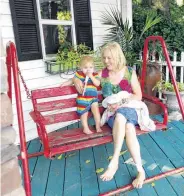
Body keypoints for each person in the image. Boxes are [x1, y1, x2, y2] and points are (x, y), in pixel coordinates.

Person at [73, 42, 146, 189]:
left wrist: (121, 103)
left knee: (122, 116)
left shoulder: (129, 72)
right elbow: (84, 74)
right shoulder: (102, 74)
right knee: (128, 128)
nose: (106, 61)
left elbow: (138, 95)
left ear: (117, 57)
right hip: (113, 115)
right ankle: (141, 170)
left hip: (130, 108)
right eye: (104, 58)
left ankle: (114, 161)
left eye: (109, 58)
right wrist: (75, 80)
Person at [61, 55, 103, 134]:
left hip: (93, 98)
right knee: (84, 113)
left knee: (96, 111)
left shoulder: (95, 75)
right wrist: (64, 84)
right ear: (81, 68)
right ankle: (85, 128)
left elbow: (97, 83)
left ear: (93, 68)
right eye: (85, 67)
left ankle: (98, 126)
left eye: (90, 67)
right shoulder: (79, 75)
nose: (88, 70)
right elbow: (72, 81)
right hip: (83, 98)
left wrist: (91, 77)